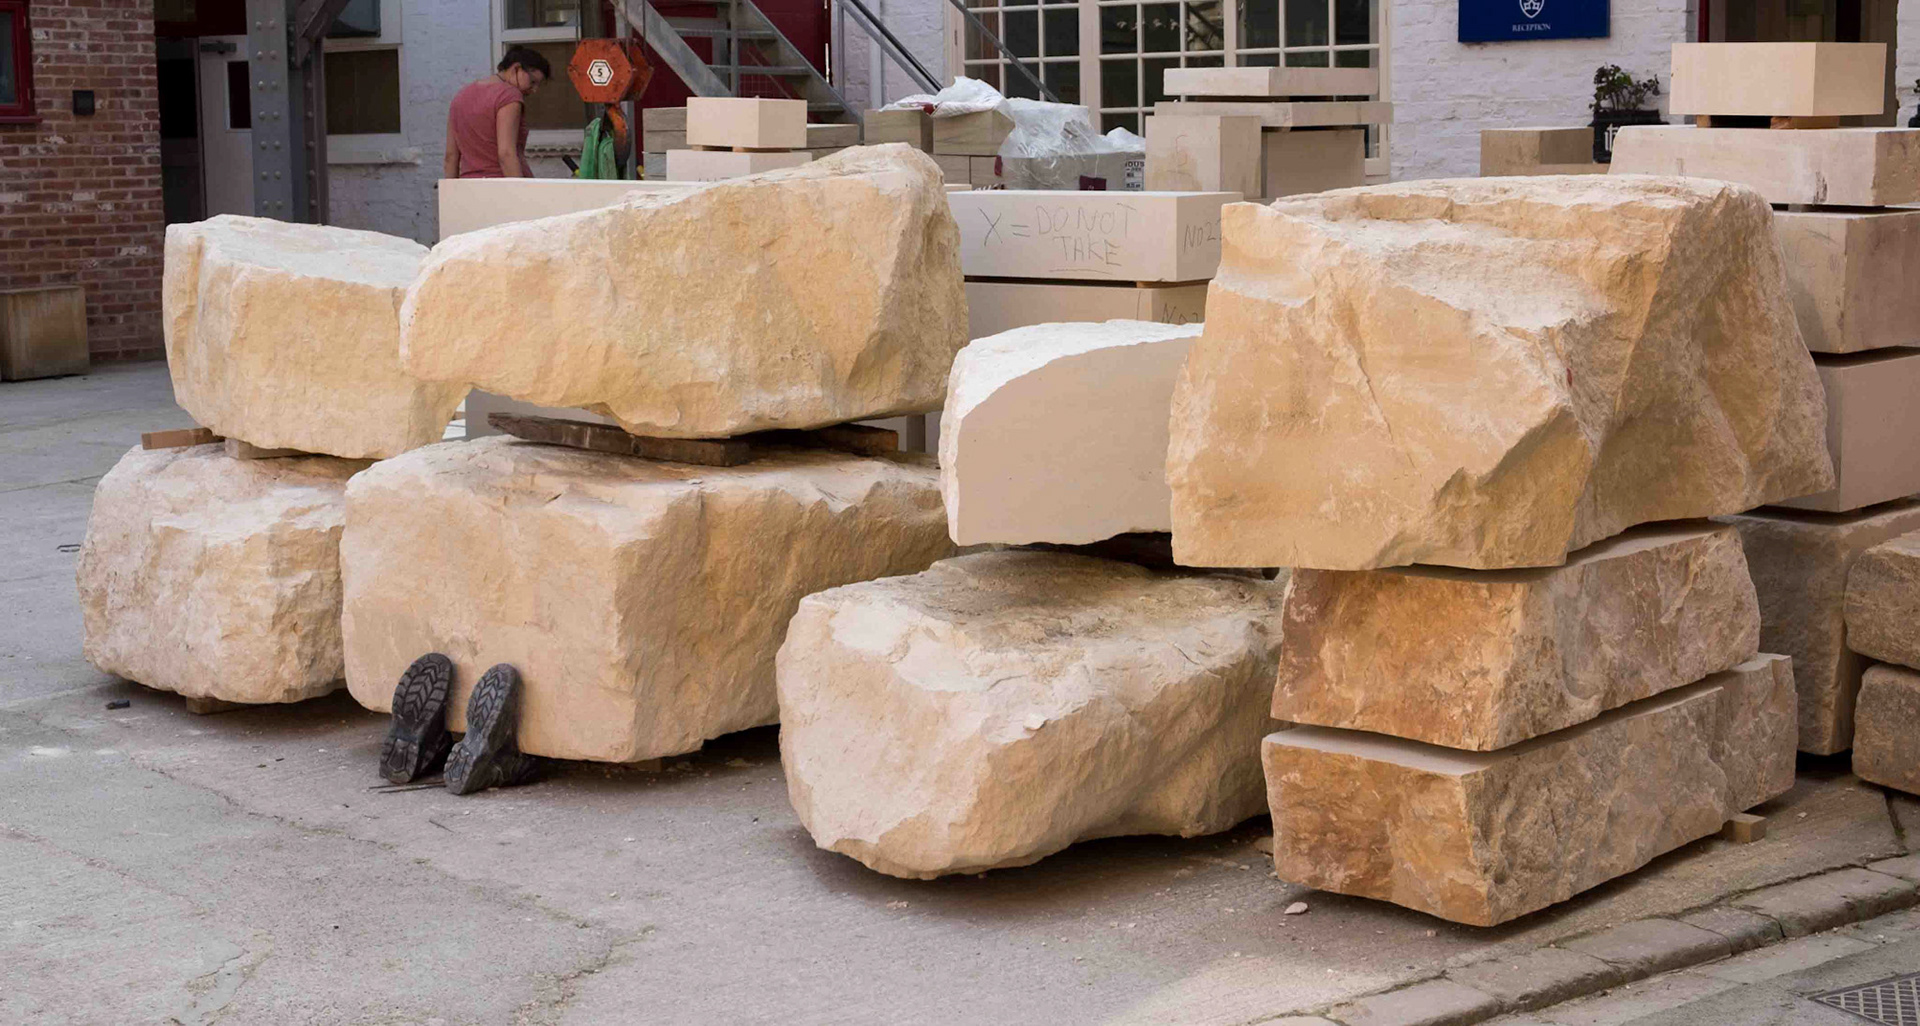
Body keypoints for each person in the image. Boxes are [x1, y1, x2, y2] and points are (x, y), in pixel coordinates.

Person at [443, 46, 550, 179]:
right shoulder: (509, 96)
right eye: (532, 82)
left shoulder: (460, 97)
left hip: (468, 188)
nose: (534, 90)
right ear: (516, 68)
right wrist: (520, 194)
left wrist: (452, 195)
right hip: (502, 186)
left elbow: (450, 156)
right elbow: (506, 154)